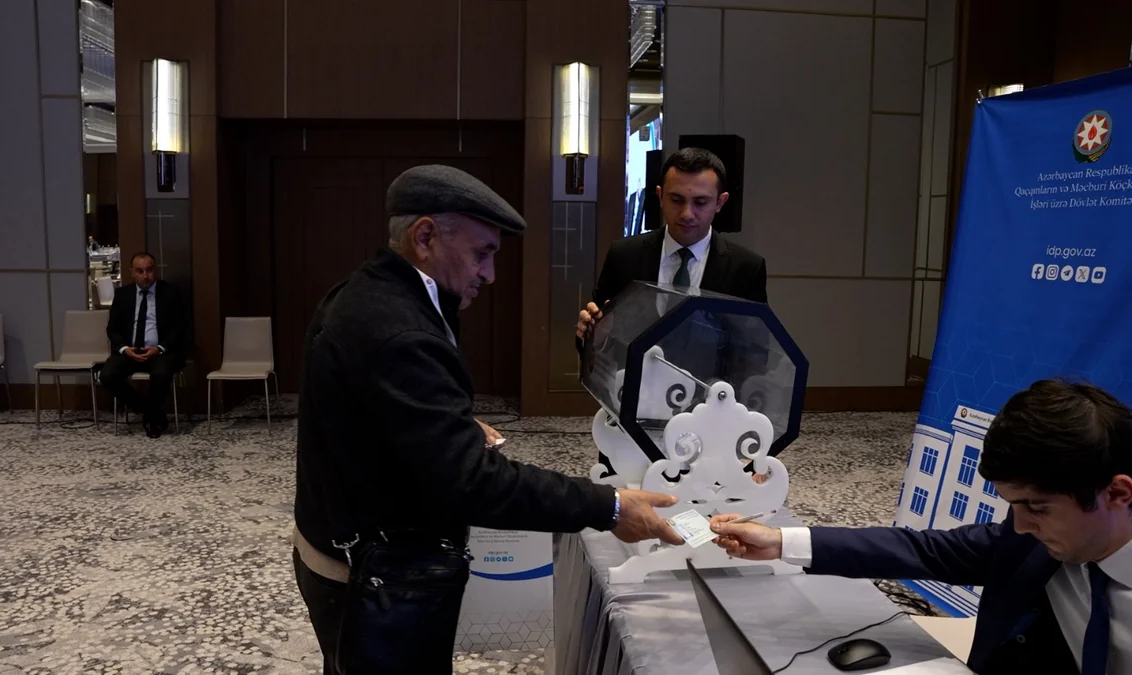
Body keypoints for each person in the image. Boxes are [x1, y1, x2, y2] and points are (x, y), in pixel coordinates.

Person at [291, 165, 685, 674]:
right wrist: (607, 506)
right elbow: (471, 482)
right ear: (425, 237)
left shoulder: (364, 290)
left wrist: (444, 421)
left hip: (336, 542)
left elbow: (359, 410)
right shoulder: (400, 331)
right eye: (482, 253)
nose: (490, 274)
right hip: (374, 573)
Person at [710, 379, 1132, 675]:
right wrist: (779, 542)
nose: (1020, 526)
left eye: (1037, 508)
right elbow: (924, 549)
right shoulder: (1034, 537)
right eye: (1013, 506)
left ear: (1117, 494)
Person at [574, 146, 767, 343]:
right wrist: (590, 335)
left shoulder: (745, 269)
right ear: (660, 196)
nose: (687, 214)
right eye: (676, 200)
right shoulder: (624, 256)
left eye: (700, 202)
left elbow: (755, 351)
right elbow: (595, 341)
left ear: (720, 202)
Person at [100, 252, 188, 438]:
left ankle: (151, 420)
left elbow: (180, 327)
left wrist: (160, 348)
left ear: (155, 270)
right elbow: (112, 329)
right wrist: (125, 349)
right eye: (140, 271)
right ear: (132, 272)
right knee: (107, 375)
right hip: (130, 350)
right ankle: (151, 412)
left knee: (161, 374)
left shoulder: (170, 292)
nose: (145, 276)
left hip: (160, 351)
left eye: (149, 270)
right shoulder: (122, 294)